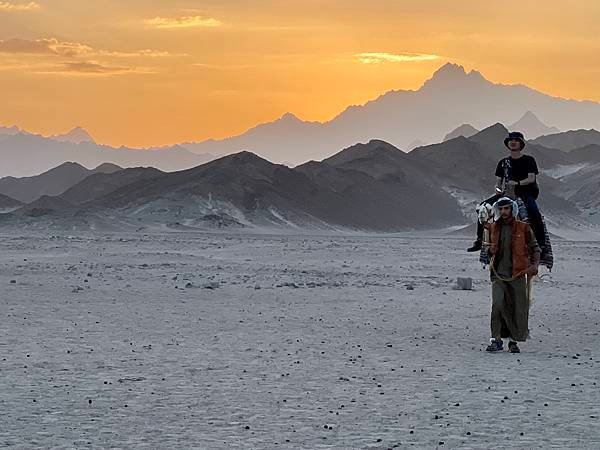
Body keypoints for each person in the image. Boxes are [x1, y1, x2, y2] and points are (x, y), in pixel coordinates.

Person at [467, 131, 544, 252]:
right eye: (511, 140)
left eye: (516, 140)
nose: (513, 142)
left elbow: (531, 178)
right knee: (483, 208)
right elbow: (498, 182)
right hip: (507, 193)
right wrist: (497, 189)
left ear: (521, 144)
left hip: (525, 193)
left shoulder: (529, 160)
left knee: (534, 212)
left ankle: (541, 244)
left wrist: (517, 183)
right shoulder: (503, 163)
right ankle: (479, 240)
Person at [485, 197, 541, 353]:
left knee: (516, 307)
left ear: (512, 210)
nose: (503, 212)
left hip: (517, 274)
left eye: (506, 209)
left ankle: (513, 341)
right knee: (497, 304)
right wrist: (489, 251)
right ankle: (496, 339)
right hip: (498, 275)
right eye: (501, 209)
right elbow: (486, 250)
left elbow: (535, 249)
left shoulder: (523, 228)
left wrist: (534, 265)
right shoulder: (493, 228)